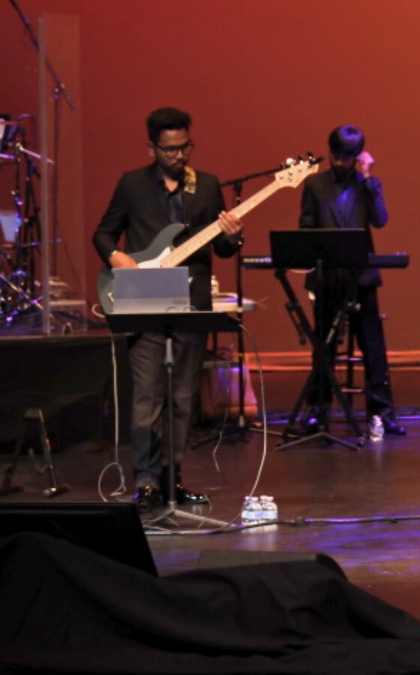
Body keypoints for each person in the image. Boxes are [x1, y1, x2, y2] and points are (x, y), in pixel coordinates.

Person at [93, 107, 244, 509]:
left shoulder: (206, 185)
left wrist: (233, 235)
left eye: (185, 147)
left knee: (182, 399)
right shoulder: (132, 185)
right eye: (170, 149)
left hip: (190, 303)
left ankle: (172, 479)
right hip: (144, 301)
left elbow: (222, 248)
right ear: (152, 149)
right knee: (147, 397)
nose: (179, 156)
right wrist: (116, 257)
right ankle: (145, 482)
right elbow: (103, 233)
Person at [295, 124, 404, 437]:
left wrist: (368, 179)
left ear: (358, 156)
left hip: (361, 277)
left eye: (349, 157)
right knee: (324, 346)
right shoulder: (315, 184)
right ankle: (318, 409)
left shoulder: (366, 184)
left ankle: (382, 411)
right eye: (338, 156)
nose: (342, 162)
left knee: (373, 346)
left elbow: (380, 219)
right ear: (330, 153)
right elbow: (306, 226)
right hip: (328, 277)